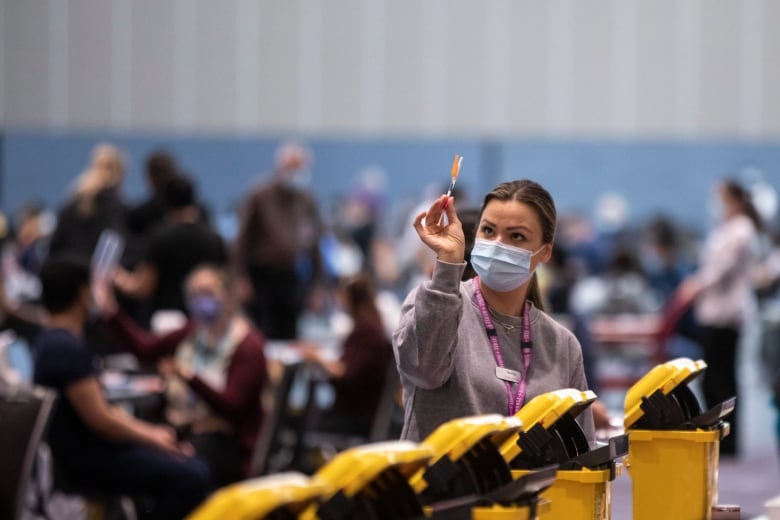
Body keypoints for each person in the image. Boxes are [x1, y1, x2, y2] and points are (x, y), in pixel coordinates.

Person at [393, 179, 595, 442]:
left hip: (535, 483)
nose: (498, 243)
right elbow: (425, 371)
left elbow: (582, 451)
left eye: (517, 236)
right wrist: (447, 267)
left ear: (545, 252)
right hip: (441, 482)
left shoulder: (562, 345)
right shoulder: (433, 303)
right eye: (488, 231)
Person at [33, 256, 210, 519]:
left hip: (91, 453)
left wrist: (152, 434)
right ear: (83, 293)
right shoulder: (65, 348)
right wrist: (151, 437)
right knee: (193, 476)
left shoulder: (52, 342)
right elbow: (101, 419)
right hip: (89, 461)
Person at [97, 264, 267, 486]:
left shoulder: (248, 345)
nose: (201, 300)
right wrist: (112, 312)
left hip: (225, 441)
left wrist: (189, 377)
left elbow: (233, 406)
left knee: (176, 471)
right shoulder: (191, 332)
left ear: (226, 294)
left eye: (208, 292)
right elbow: (145, 350)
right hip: (182, 428)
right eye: (195, 294)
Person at [677, 179, 763, 456]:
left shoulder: (741, 231)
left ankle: (728, 439)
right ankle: (721, 434)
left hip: (726, 314)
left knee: (721, 379)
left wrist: (695, 285)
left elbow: (720, 269)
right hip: (715, 311)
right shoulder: (728, 229)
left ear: (734, 200)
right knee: (715, 377)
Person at [235, 141, 324, 340]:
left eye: (301, 167)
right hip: (261, 276)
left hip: (291, 276)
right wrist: (240, 278)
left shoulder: (306, 199)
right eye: (293, 166)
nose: (297, 172)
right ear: (280, 167)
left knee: (290, 334)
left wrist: (317, 285)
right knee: (261, 334)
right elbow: (241, 240)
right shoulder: (259, 195)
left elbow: (315, 244)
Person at [114, 175, 227, 320]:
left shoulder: (159, 237)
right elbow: (226, 283)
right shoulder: (214, 239)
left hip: (167, 323)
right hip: (205, 321)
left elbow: (143, 287)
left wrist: (119, 279)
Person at [298, 274, 395, 437]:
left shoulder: (367, 333)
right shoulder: (368, 327)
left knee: (302, 424)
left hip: (356, 417)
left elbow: (347, 376)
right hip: (358, 412)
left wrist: (318, 358)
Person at [48, 143, 128, 260]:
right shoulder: (117, 207)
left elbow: (54, 246)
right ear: (119, 173)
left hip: (67, 272)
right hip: (93, 275)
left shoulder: (72, 202)